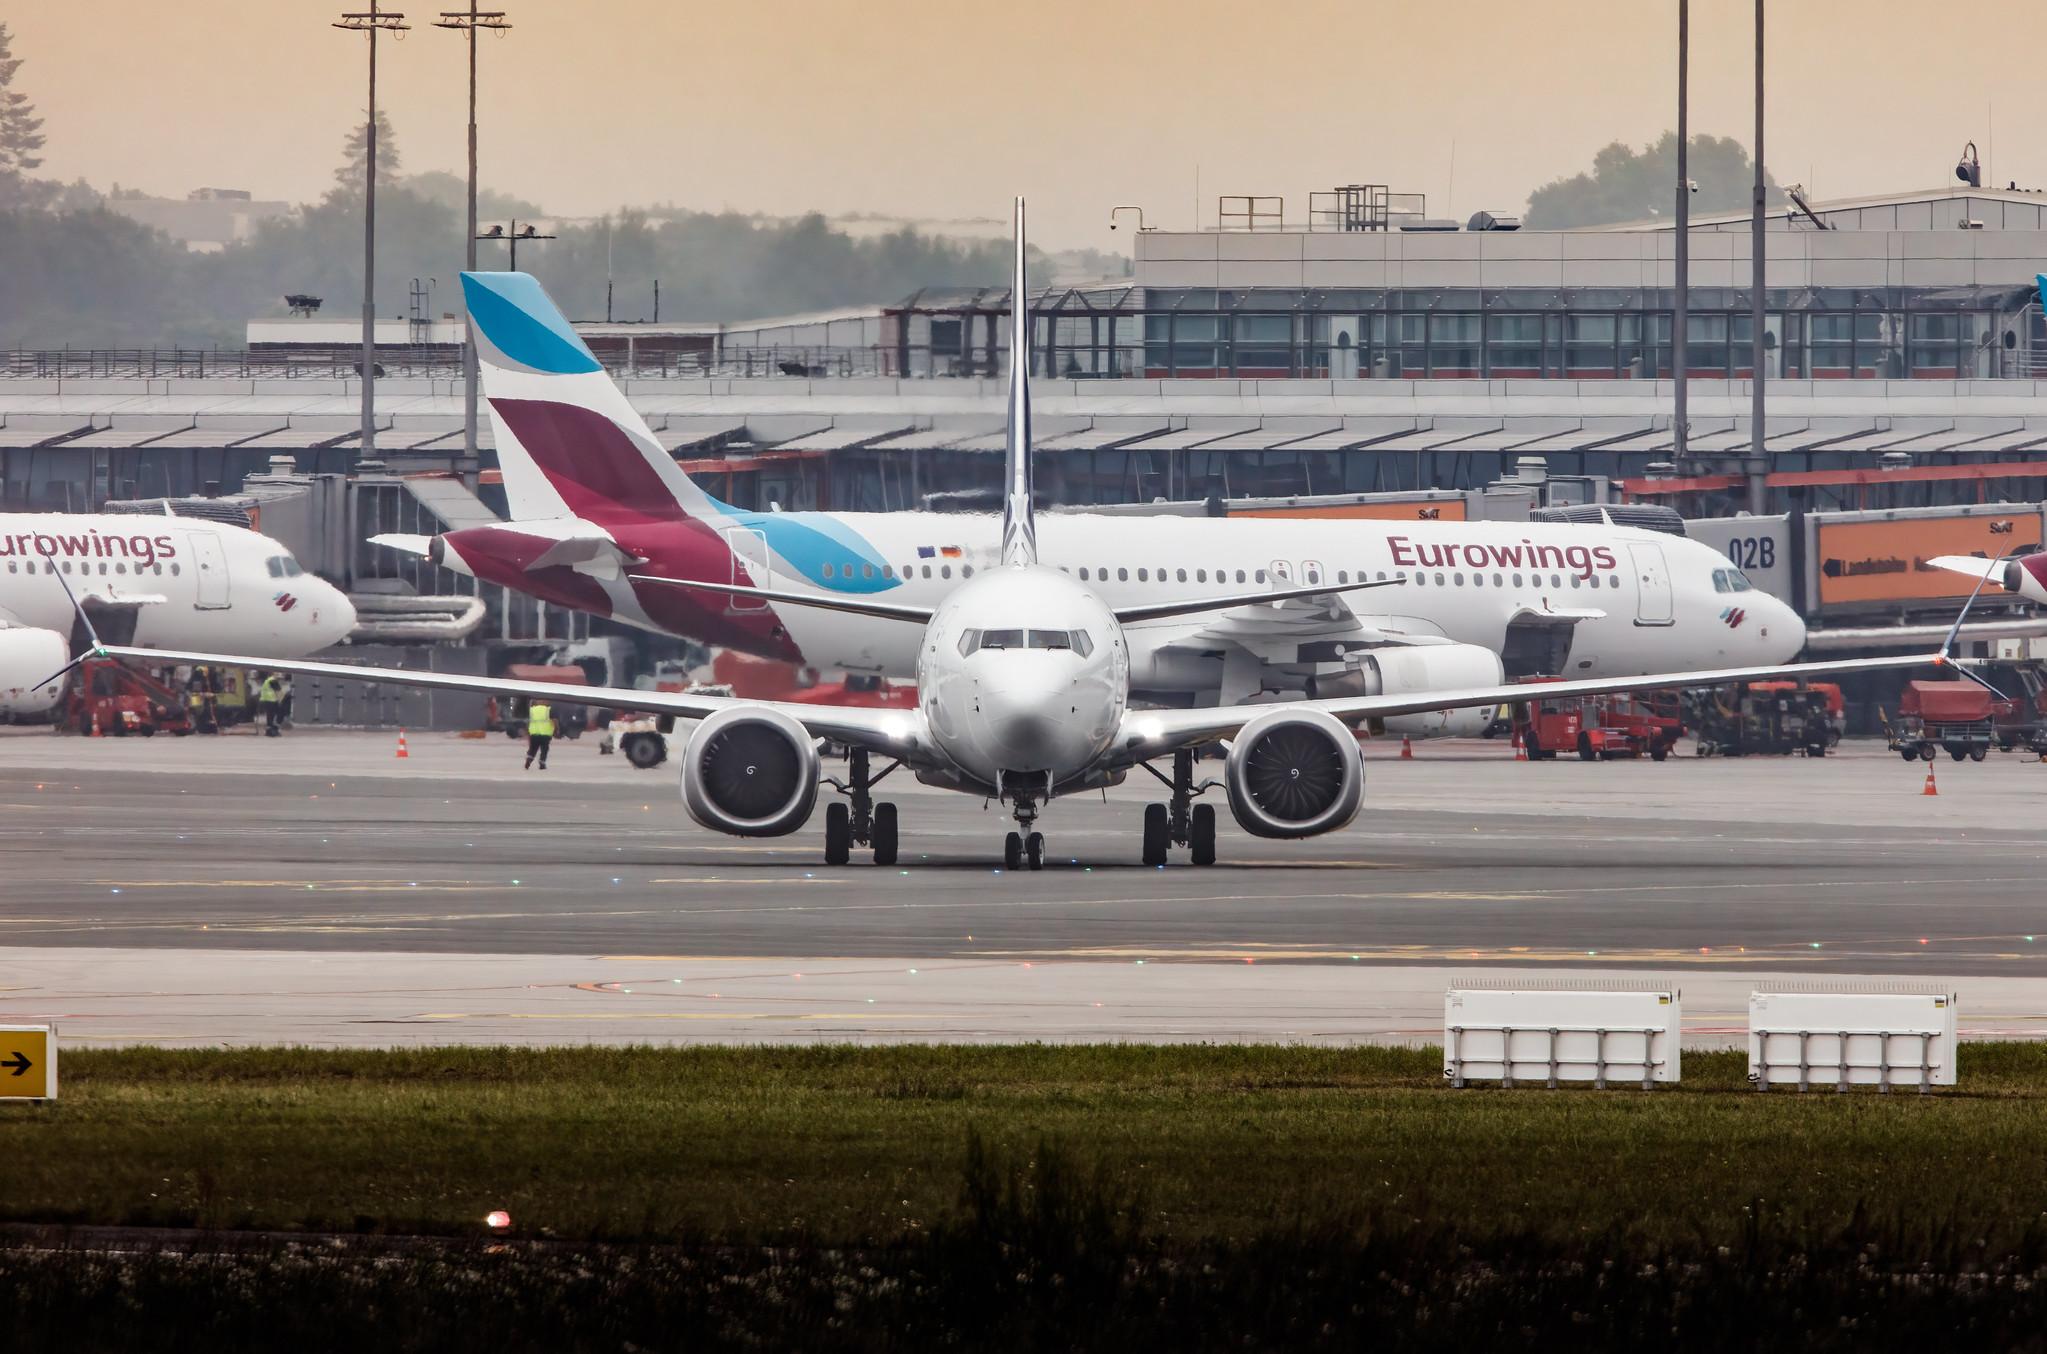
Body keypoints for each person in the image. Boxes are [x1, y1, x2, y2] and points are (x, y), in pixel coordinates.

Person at [524, 698, 554, 770]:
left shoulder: (532, 710)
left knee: (533, 748)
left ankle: (529, 760)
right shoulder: (548, 710)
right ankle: (542, 762)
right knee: (544, 749)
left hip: (534, 733)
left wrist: (527, 731)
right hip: (545, 734)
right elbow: (554, 720)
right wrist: (556, 729)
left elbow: (527, 721)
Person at [257, 671, 283, 738]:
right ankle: (272, 730)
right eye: (277, 674)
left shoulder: (267, 681)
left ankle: (269, 730)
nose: (279, 676)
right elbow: (278, 692)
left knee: (270, 716)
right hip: (271, 701)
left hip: (265, 701)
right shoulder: (273, 681)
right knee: (276, 715)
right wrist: (280, 701)